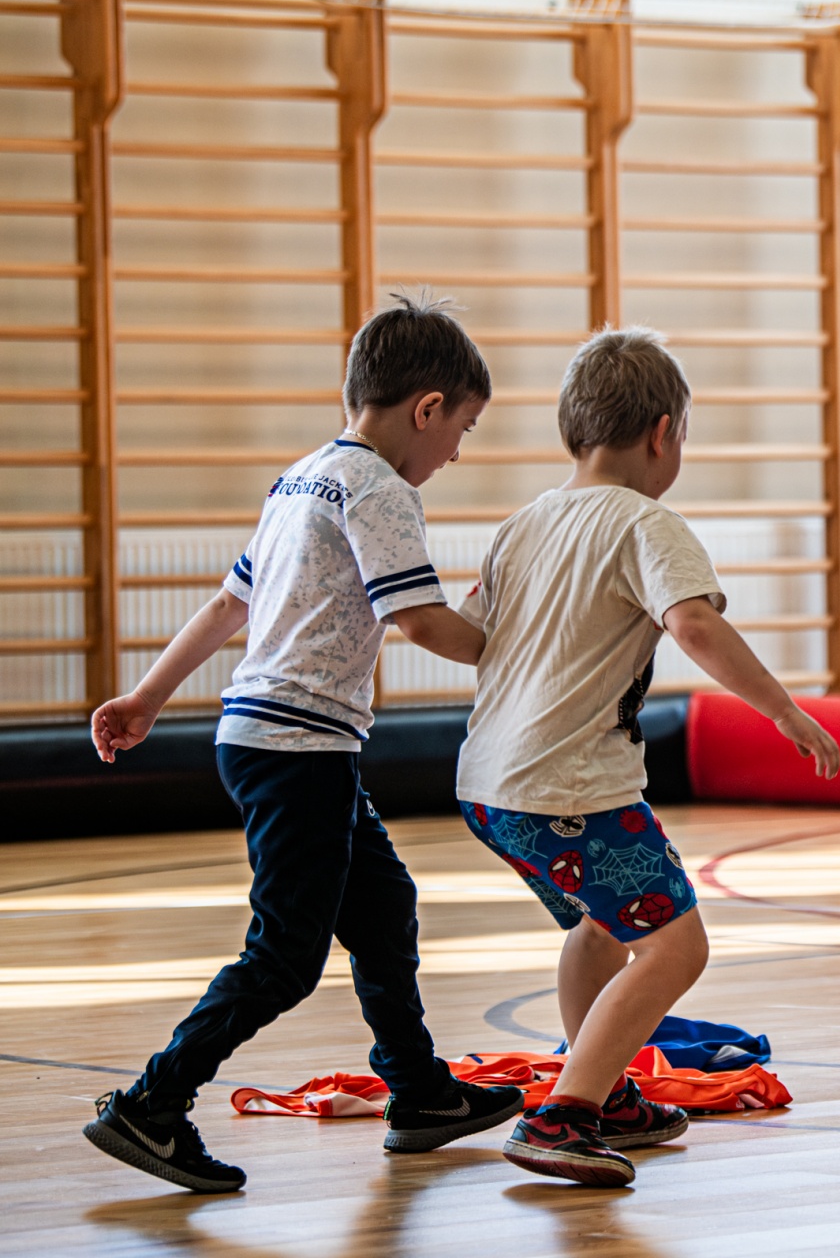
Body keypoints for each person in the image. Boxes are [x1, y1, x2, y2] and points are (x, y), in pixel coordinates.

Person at [82, 289, 525, 1192]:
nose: (456, 452)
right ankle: (151, 1105)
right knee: (285, 955)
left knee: (384, 904)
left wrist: (148, 696)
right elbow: (422, 621)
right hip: (299, 747)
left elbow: (229, 605)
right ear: (427, 409)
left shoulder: (303, 476)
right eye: (463, 430)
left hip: (267, 737)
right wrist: (524, 651)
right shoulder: (382, 490)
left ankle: (421, 1094)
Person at [455, 328, 840, 1186]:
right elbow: (693, 623)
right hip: (572, 788)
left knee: (601, 927)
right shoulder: (646, 523)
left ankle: (606, 1092)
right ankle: (565, 1113)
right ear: (664, 433)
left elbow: (472, 636)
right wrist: (783, 710)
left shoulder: (521, 526)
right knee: (676, 947)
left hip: (487, 787)